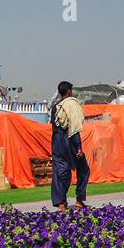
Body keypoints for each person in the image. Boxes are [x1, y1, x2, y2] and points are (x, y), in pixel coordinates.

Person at [50, 80, 89, 211]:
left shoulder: (55, 106)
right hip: (70, 142)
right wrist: (78, 147)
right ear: (69, 92)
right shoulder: (72, 104)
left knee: (61, 173)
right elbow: (74, 128)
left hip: (57, 143)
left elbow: (55, 127)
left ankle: (61, 203)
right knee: (83, 170)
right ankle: (79, 200)